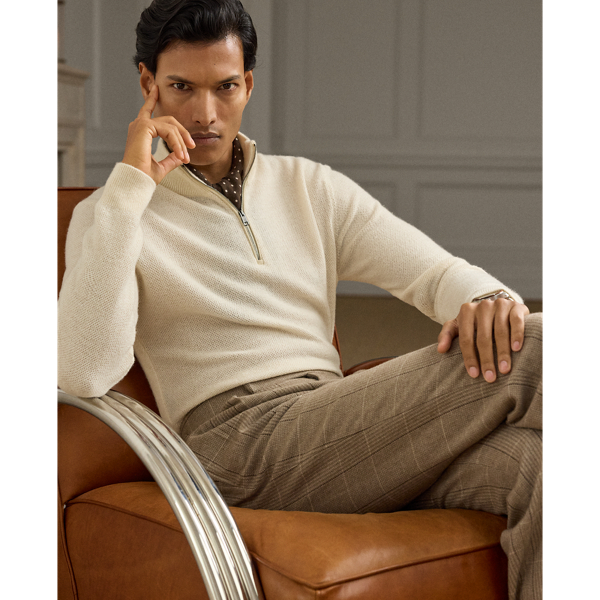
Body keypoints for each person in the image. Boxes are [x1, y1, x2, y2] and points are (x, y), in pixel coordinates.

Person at [57, 1, 542, 598]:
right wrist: (130, 187)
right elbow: (84, 370)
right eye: (181, 87)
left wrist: (489, 298)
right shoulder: (111, 213)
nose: (205, 113)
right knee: (534, 346)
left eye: (224, 87)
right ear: (147, 84)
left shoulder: (309, 186)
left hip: (332, 420)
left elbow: (436, 275)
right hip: (237, 446)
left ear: (247, 84)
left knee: (537, 467)